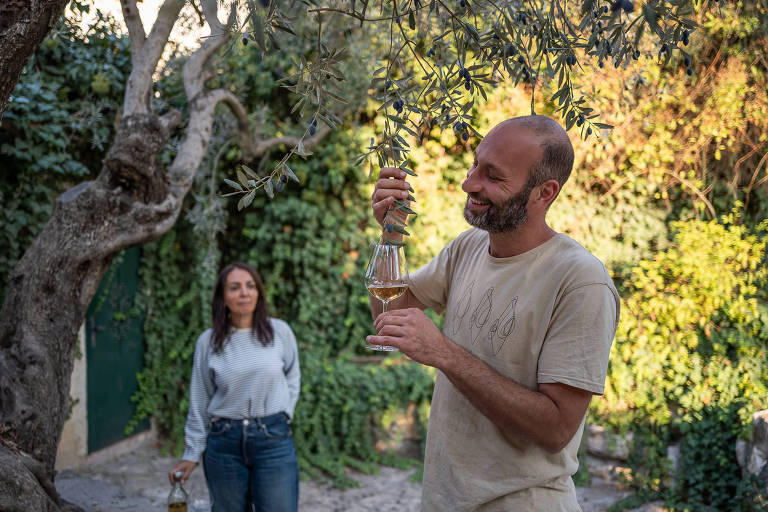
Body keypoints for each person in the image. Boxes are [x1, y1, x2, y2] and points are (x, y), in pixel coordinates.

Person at [367, 116, 620, 511]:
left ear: (544, 193)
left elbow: (556, 429)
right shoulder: (468, 247)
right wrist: (391, 235)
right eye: (474, 165)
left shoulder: (581, 281)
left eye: (493, 177)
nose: (469, 183)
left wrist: (444, 354)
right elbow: (391, 312)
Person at [169, 261, 301, 512]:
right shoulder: (208, 342)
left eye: (250, 286)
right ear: (222, 297)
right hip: (223, 442)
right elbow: (199, 398)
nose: (244, 293)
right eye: (235, 287)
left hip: (273, 439)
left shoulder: (279, 331)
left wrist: (286, 413)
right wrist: (191, 452)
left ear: (259, 292)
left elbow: (293, 377)